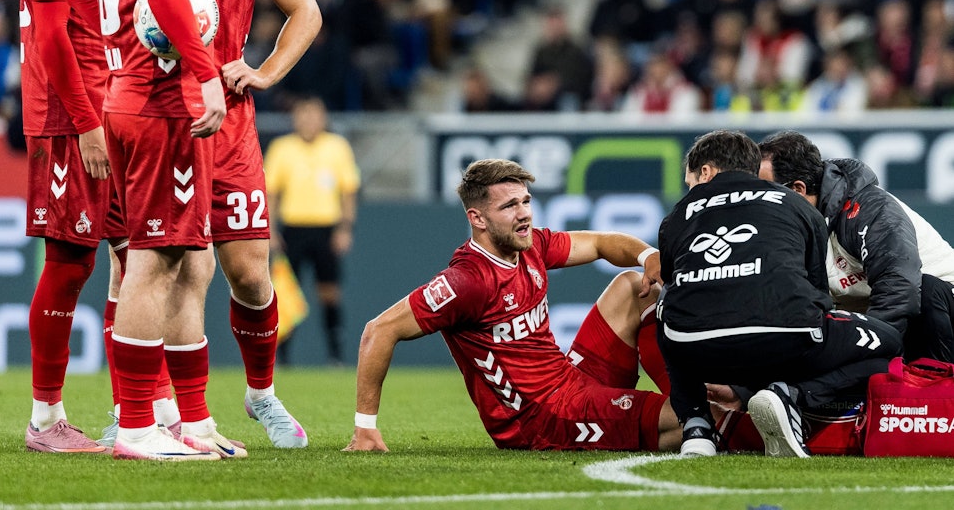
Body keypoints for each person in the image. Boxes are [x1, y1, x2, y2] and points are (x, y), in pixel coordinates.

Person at [67, 0, 231, 461]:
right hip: (159, 101)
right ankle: (137, 425)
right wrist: (204, 73)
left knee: (184, 261)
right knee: (151, 262)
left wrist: (110, 55)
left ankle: (184, 421)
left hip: (128, 95)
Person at [343, 158, 682, 453]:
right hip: (542, 420)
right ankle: (700, 413)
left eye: (526, 201)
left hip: (570, 379)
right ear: (478, 219)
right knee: (685, 423)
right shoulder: (468, 282)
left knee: (632, 286)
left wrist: (648, 255)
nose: (524, 215)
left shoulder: (530, 245)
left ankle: (692, 397)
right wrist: (365, 426)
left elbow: (600, 242)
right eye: (509, 206)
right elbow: (379, 330)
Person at [180, 0, 322, 447]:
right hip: (164, 122)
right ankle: (157, 409)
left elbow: (307, 10)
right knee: (179, 269)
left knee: (249, 274)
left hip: (231, 128)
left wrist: (263, 71)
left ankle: (260, 393)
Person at [14, 0, 142, 455]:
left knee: (135, 257)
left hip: (110, 106)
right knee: (70, 260)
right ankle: (44, 420)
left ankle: (136, 416)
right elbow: (53, 37)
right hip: (70, 117)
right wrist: (89, 122)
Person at [657, 130, 902, 458]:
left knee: (666, 307)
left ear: (705, 173)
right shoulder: (793, 203)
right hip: (785, 335)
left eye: (689, 182)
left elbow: (677, 283)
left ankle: (696, 425)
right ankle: (791, 395)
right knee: (891, 346)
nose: (690, 191)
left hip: (697, 348)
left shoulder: (677, 214)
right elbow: (817, 298)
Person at [758, 130, 954, 361]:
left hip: (935, 311)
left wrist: (862, 356)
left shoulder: (869, 210)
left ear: (797, 189)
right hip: (880, 320)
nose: (758, 200)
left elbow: (900, 291)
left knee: (926, 291)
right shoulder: (787, 230)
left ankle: (936, 388)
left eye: (764, 191)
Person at [263, 96, 360, 366]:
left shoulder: (336, 147)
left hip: (326, 229)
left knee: (329, 292)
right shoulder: (282, 148)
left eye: (314, 115)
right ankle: (281, 359)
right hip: (293, 229)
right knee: (285, 295)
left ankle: (335, 355)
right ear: (295, 119)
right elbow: (271, 192)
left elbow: (348, 191)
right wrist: (270, 230)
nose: (308, 120)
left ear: (323, 118)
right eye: (303, 115)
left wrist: (345, 229)